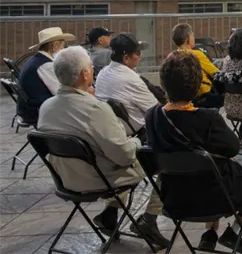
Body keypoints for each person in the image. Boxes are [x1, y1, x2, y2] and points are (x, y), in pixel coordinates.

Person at [145, 52, 242, 254]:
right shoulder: (208, 119)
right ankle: (235, 232)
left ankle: (210, 233)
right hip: (215, 197)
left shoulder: (153, 116)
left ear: (163, 83)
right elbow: (233, 147)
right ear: (198, 83)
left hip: (176, 198)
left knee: (210, 165)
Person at [37, 47, 168, 249]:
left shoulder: (46, 107)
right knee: (165, 163)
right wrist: (136, 141)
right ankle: (150, 219)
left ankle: (110, 214)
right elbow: (124, 156)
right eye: (90, 66)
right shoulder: (95, 109)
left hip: (65, 179)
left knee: (110, 157)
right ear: (85, 73)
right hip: (97, 179)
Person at [95, 34, 159, 136]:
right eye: (137, 53)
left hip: (108, 131)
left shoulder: (102, 73)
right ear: (126, 58)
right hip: (136, 136)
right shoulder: (132, 79)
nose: (140, 55)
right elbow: (155, 111)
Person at [17, 27, 75, 124]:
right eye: (63, 46)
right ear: (55, 46)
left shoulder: (36, 60)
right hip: (37, 111)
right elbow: (60, 91)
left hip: (32, 108)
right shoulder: (46, 65)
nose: (63, 50)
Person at [172, 23, 222, 108]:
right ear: (187, 39)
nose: (194, 38)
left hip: (185, 97)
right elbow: (215, 73)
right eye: (192, 36)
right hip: (204, 97)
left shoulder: (173, 56)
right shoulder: (196, 54)